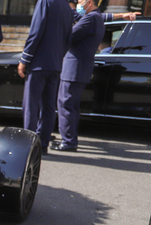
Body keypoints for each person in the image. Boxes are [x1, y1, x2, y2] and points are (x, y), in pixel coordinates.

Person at [52, 2, 139, 151]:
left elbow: (68, 37)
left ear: (89, 2)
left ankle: (68, 142)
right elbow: (103, 15)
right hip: (80, 69)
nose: (78, 4)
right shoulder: (95, 17)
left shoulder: (90, 19)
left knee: (66, 105)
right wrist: (121, 15)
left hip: (74, 69)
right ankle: (69, 139)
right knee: (71, 106)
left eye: (80, 1)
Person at [18, 0, 73, 154]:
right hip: (55, 64)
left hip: (39, 63)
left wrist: (24, 59)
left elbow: (35, 32)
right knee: (49, 107)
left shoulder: (45, 2)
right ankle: (43, 144)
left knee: (31, 105)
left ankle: (28, 145)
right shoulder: (66, 7)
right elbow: (68, 38)